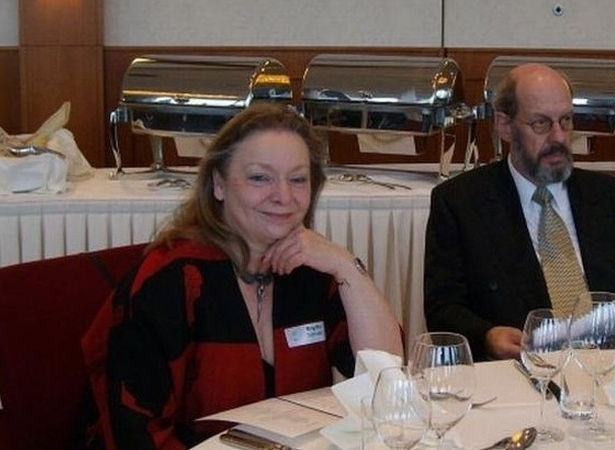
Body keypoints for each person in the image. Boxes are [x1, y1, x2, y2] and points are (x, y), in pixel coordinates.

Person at [81, 103, 403, 449]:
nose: (283, 196)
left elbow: (386, 382)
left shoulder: (311, 270)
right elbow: (135, 432)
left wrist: (345, 265)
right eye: (260, 178)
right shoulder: (173, 280)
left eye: (297, 179)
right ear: (219, 184)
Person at [423, 63, 615, 362]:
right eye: (541, 124)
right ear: (504, 126)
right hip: (522, 372)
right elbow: (443, 310)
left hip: (614, 372)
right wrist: (487, 336)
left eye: (566, 120)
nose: (559, 138)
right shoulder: (461, 203)